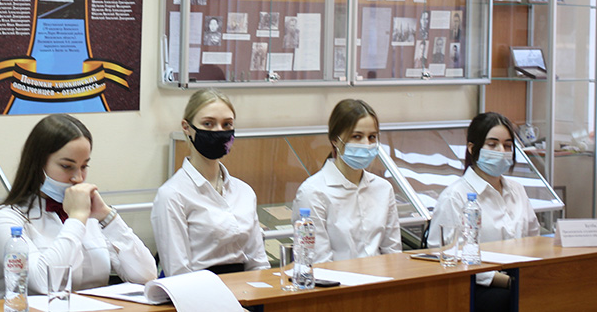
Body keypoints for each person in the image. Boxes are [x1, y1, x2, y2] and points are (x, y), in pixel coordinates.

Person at [0, 114, 157, 295]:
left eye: (84, 166)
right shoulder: (5, 219)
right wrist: (76, 220)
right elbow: (44, 283)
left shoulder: (90, 214)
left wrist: (108, 217)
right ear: (37, 165)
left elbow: (146, 276)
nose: (78, 178)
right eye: (67, 166)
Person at [428, 112, 539, 311]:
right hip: (477, 286)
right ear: (473, 148)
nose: (501, 151)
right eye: (492, 144)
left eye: (507, 145)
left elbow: (534, 241)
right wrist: (505, 281)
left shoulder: (517, 190)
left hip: (521, 279)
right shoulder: (455, 196)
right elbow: (444, 255)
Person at [151, 90, 269, 276]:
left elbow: (258, 262)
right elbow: (178, 273)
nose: (219, 131)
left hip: (245, 288)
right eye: (208, 124)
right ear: (186, 127)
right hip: (199, 289)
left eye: (227, 124)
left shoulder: (244, 191)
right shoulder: (172, 195)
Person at [292, 99, 401, 263]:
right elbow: (318, 262)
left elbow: (393, 253)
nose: (366, 144)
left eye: (372, 137)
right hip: (336, 278)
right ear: (335, 140)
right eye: (357, 137)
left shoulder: (383, 188)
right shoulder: (313, 192)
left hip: (381, 277)